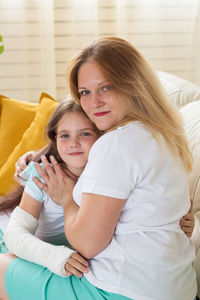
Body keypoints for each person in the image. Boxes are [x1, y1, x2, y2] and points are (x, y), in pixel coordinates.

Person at [0, 36, 197, 300]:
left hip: (122, 291)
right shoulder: (164, 135)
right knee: (15, 254)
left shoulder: (116, 143)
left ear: (132, 84)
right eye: (85, 92)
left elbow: (88, 244)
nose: (94, 103)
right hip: (179, 289)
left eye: (106, 87)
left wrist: (68, 199)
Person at [0, 99, 101, 279]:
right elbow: (14, 235)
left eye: (85, 134)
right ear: (54, 139)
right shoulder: (43, 175)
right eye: (64, 135)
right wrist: (56, 256)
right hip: (9, 236)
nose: (74, 143)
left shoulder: (105, 178)